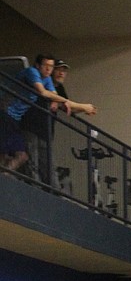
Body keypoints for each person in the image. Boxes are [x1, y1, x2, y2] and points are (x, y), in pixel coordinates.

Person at [8, 54, 95, 186]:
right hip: (28, 125)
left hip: (45, 132)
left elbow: (68, 107)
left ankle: (52, 194)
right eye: (58, 69)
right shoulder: (35, 78)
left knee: (47, 165)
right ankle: (33, 190)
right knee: (30, 161)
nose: (61, 73)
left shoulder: (56, 87)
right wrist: (83, 106)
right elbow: (49, 95)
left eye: (63, 70)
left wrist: (70, 105)